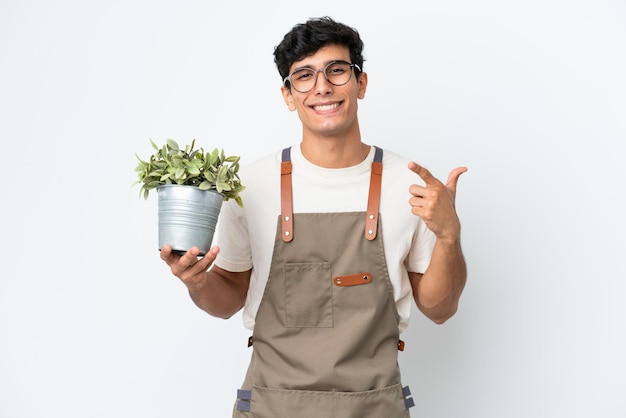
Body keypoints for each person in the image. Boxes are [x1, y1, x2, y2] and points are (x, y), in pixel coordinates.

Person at [160, 16, 467, 418]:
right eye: (304, 75)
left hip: (374, 407)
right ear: (288, 95)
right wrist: (197, 283)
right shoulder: (250, 185)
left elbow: (439, 309)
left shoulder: (408, 183)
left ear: (361, 83)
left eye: (336, 70)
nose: (322, 87)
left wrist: (449, 235)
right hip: (272, 407)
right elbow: (228, 299)